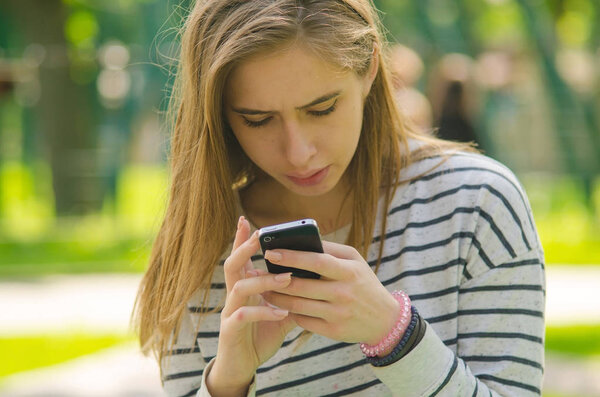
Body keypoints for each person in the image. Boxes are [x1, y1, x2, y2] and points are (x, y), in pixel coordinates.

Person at [134, 0, 546, 396]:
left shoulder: (476, 205)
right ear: (220, 114)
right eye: (257, 120)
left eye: (322, 109)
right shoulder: (199, 247)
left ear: (369, 69)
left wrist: (393, 333)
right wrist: (229, 381)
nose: (298, 152)